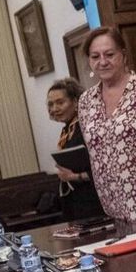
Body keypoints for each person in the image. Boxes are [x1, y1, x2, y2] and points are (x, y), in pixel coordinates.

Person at [76, 27, 136, 229]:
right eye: (95, 56)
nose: (102, 61)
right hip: (113, 212)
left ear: (123, 54)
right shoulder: (86, 101)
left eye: (109, 54)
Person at [47, 78, 105, 221]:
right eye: (51, 104)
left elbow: (103, 167)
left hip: (94, 201)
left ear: (76, 102)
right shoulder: (67, 130)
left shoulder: (87, 128)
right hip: (76, 201)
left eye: (60, 102)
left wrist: (74, 177)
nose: (54, 109)